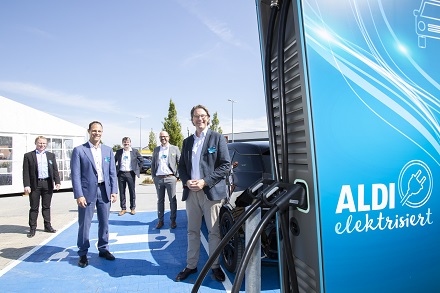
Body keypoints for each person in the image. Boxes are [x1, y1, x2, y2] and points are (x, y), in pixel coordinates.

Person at [175, 105, 230, 282]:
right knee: (192, 231)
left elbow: (225, 166)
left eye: (203, 116)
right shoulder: (187, 142)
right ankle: (191, 265)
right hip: (191, 194)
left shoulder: (217, 138)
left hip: (210, 193)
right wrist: (186, 181)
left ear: (208, 118)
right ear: (192, 120)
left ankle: (215, 266)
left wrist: (205, 181)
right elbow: (181, 167)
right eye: (196, 116)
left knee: (214, 232)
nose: (200, 119)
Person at [70, 121, 118, 268]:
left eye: (99, 131)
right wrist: (79, 194)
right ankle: (83, 253)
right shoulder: (79, 150)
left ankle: (103, 249)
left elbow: (112, 172)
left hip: (104, 191)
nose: (97, 133)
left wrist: (114, 190)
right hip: (87, 192)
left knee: (104, 222)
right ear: (89, 131)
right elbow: (75, 175)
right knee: (85, 224)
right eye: (94, 131)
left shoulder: (108, 150)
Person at [22, 136, 61, 238]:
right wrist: (27, 185)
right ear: (36, 143)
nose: (42, 145)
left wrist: (57, 181)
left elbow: (55, 169)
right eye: (40, 143)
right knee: (34, 207)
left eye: (44, 143)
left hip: (47, 183)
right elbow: (25, 172)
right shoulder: (28, 156)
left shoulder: (51, 155)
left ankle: (47, 226)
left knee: (46, 206)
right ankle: (32, 228)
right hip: (35, 184)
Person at [151, 131, 180, 229]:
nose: (163, 138)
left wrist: (177, 177)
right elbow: (153, 164)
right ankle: (160, 221)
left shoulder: (174, 149)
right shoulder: (156, 150)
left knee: (172, 200)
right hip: (158, 179)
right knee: (160, 201)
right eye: (161, 137)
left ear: (169, 137)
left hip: (170, 178)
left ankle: (173, 220)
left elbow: (180, 162)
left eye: (165, 136)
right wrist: (153, 177)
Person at [114, 137, 143, 216]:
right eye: (124, 142)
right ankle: (123, 208)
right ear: (122, 143)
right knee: (122, 192)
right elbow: (114, 161)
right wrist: (115, 170)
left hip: (131, 174)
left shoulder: (134, 151)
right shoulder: (119, 152)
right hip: (121, 174)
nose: (126, 144)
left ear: (130, 143)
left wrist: (137, 169)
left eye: (127, 142)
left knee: (132, 191)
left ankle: (132, 208)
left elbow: (141, 160)